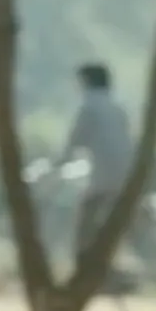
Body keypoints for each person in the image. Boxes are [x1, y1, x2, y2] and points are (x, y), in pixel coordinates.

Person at [58, 62, 138, 292]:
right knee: (108, 226)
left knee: (84, 225)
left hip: (104, 178)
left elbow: (75, 142)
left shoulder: (89, 107)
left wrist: (58, 164)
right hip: (128, 176)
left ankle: (88, 275)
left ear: (85, 82)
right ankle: (106, 271)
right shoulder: (118, 106)